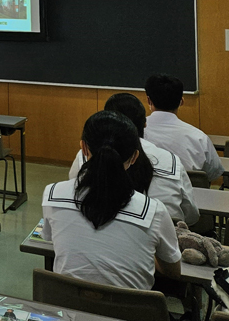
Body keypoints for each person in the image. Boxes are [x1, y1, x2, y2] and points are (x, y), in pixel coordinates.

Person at [42, 110, 181, 290]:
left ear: (83, 148)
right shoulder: (153, 211)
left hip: (68, 310)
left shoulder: (53, 194)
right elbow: (174, 271)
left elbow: (50, 240)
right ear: (134, 157)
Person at [68, 93, 199, 226]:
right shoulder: (170, 161)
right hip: (166, 234)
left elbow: (74, 191)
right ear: (144, 123)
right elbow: (191, 215)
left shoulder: (85, 157)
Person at [143, 74, 223, 181]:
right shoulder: (199, 138)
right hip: (192, 196)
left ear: (149, 101)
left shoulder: (133, 132)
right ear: (181, 101)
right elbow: (213, 173)